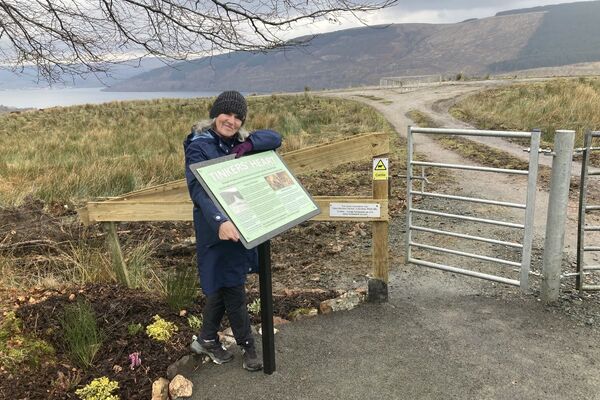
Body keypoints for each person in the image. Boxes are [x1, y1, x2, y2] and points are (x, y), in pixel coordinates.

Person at [183, 90, 282, 372]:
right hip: (217, 229)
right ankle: (249, 348)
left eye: (239, 117)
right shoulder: (198, 145)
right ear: (216, 113)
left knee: (225, 283)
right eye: (227, 114)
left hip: (243, 221)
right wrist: (219, 222)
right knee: (234, 286)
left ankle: (205, 339)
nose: (232, 121)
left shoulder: (237, 142)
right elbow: (198, 189)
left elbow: (275, 138)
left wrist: (248, 146)